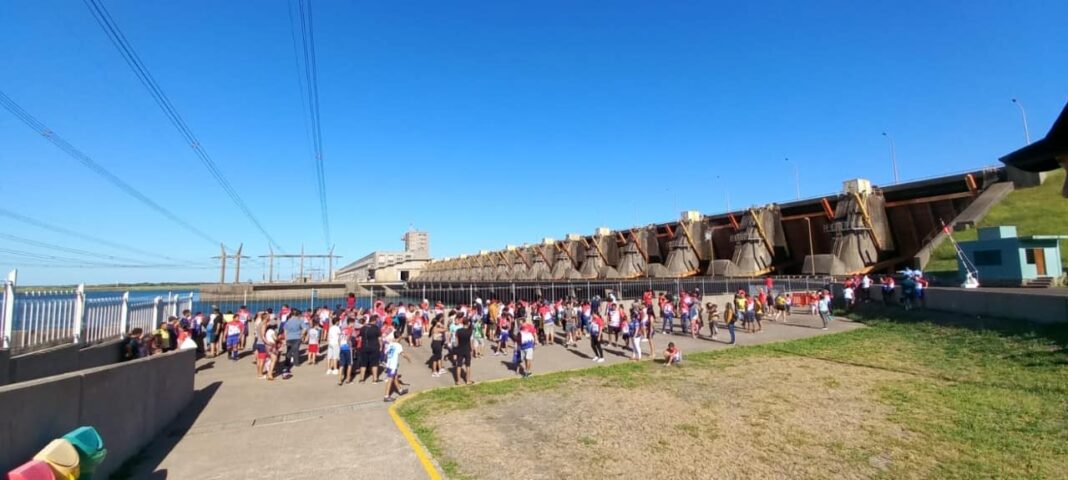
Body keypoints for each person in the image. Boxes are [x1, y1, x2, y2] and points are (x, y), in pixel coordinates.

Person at [382, 335, 412, 402]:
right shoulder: (398, 345)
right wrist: (408, 359)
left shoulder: (391, 344)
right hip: (393, 365)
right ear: (399, 337)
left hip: (389, 364)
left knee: (395, 377)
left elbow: (385, 352)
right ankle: (386, 396)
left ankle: (400, 390)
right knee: (390, 380)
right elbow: (402, 354)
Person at [357, 316, 383, 383]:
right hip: (374, 347)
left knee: (363, 364)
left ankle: (362, 379)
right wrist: (381, 347)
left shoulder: (363, 328)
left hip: (364, 347)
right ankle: (374, 379)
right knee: (374, 364)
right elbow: (380, 339)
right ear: (374, 321)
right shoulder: (376, 328)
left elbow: (360, 338)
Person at [452, 316, 474, 385]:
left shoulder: (458, 331)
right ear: (468, 323)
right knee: (468, 365)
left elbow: (456, 343)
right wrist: (472, 350)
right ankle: (468, 380)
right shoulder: (470, 331)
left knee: (459, 366)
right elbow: (470, 341)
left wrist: (454, 352)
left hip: (460, 349)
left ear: (462, 322)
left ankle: (458, 381)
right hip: (467, 349)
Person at [337, 317, 355, 385]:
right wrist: (349, 343)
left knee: (342, 365)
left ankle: (339, 380)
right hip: (347, 348)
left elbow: (339, 339)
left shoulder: (343, 330)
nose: (353, 324)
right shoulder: (350, 329)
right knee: (349, 364)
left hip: (342, 347)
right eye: (353, 323)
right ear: (350, 323)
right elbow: (348, 337)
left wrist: (340, 346)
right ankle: (348, 379)